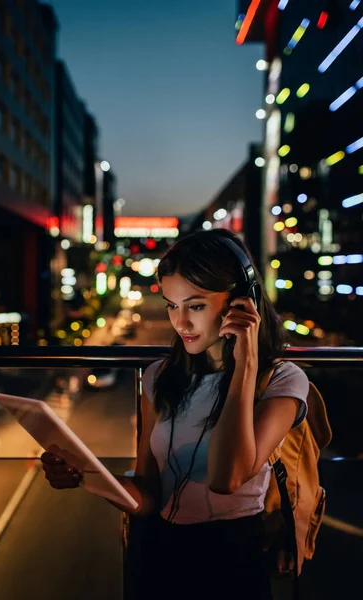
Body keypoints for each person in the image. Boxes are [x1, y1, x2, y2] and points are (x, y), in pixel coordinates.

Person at [41, 228, 309, 600]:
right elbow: (149, 495)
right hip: (158, 550)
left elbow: (226, 478)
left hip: (229, 561)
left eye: (195, 305)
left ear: (241, 303)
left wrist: (245, 363)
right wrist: (86, 475)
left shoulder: (281, 381)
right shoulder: (159, 378)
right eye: (171, 304)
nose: (180, 323)